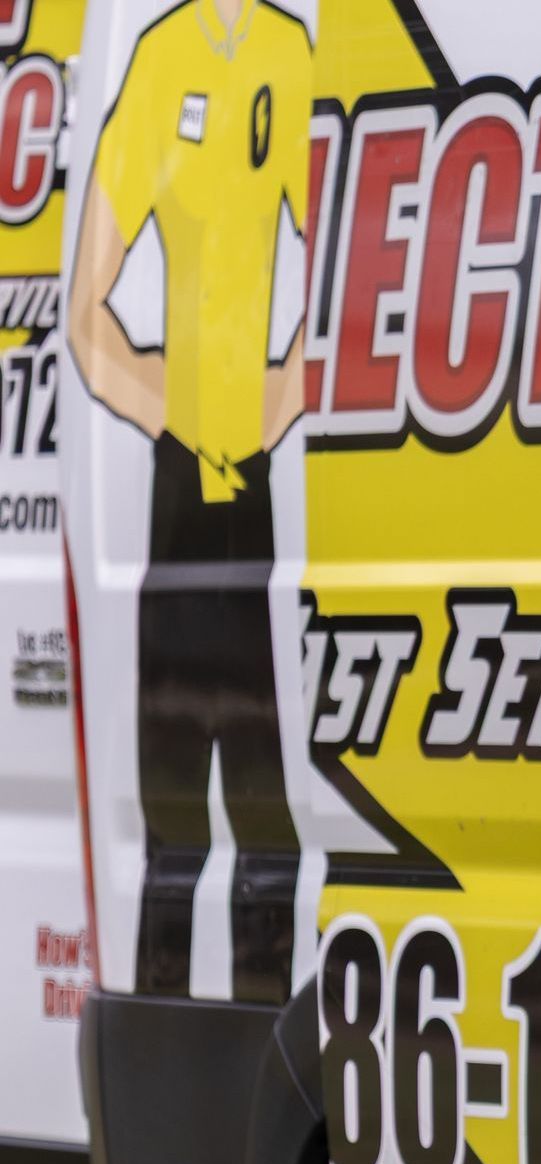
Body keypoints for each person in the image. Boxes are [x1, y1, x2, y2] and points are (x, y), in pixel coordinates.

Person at [68, 0, 311, 1005]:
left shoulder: (292, 56)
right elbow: (86, 315)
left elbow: (361, 274)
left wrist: (283, 394)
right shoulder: (159, 57)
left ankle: (263, 1030)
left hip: (253, 493)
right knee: (168, 819)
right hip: (169, 499)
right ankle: (160, 1021)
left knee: (268, 820)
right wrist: (164, 399)